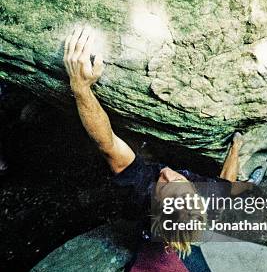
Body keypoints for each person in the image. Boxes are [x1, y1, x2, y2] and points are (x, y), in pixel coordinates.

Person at [64, 25, 250, 257]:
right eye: (179, 181)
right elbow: (227, 183)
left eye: (164, 185)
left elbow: (108, 144)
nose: (167, 173)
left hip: (143, 219)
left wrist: (80, 87)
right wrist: (236, 146)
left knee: (141, 231)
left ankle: (154, 239)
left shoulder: (141, 190)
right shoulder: (210, 198)